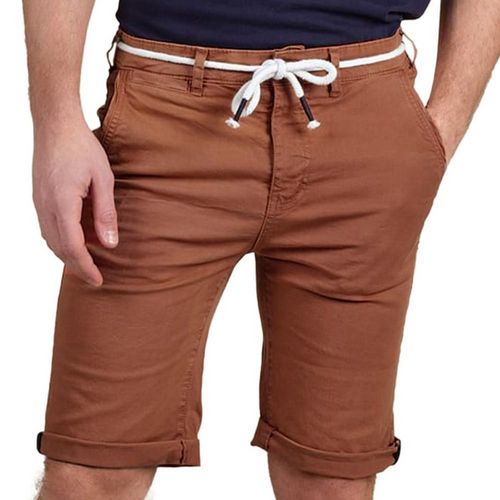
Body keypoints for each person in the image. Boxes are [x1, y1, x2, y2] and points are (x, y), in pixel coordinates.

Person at [23, 0, 499, 499]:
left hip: (367, 123)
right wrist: (56, 123)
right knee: (90, 470)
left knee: (332, 477)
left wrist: (438, 136)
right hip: (165, 115)